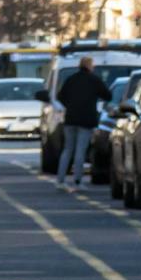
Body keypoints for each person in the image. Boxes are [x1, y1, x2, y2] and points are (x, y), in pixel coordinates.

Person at [54, 55, 112, 189]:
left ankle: (60, 180)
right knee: (80, 150)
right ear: (89, 66)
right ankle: (78, 181)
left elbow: (60, 96)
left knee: (67, 149)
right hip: (86, 120)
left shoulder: (71, 79)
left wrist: (71, 105)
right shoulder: (94, 80)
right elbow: (108, 95)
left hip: (70, 119)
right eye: (93, 65)